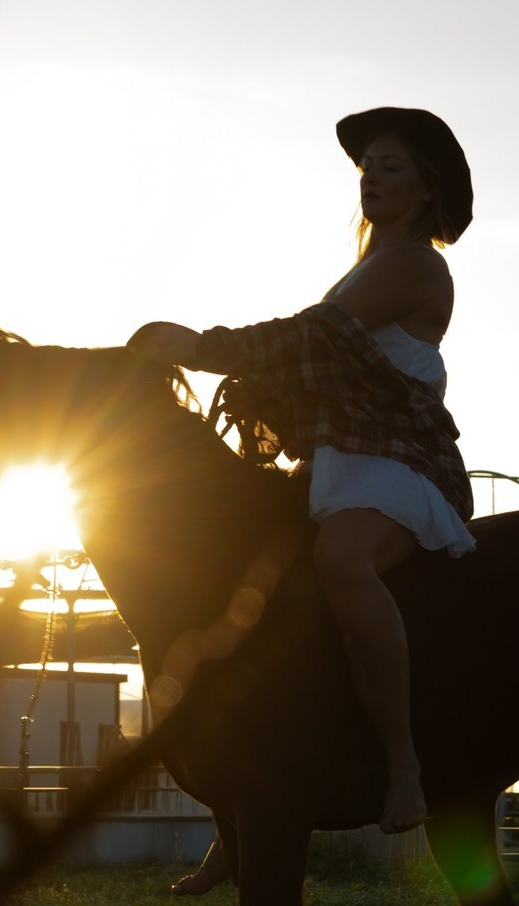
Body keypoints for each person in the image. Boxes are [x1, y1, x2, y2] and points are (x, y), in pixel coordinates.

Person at [131, 106, 475, 841]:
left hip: (397, 463)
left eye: (391, 167)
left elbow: (313, 338)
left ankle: (403, 760)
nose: (373, 178)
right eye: (367, 168)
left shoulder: (416, 265)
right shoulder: (364, 268)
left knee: (342, 561)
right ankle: (241, 808)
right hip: (336, 463)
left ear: (425, 191)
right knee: (247, 571)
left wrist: (200, 346)